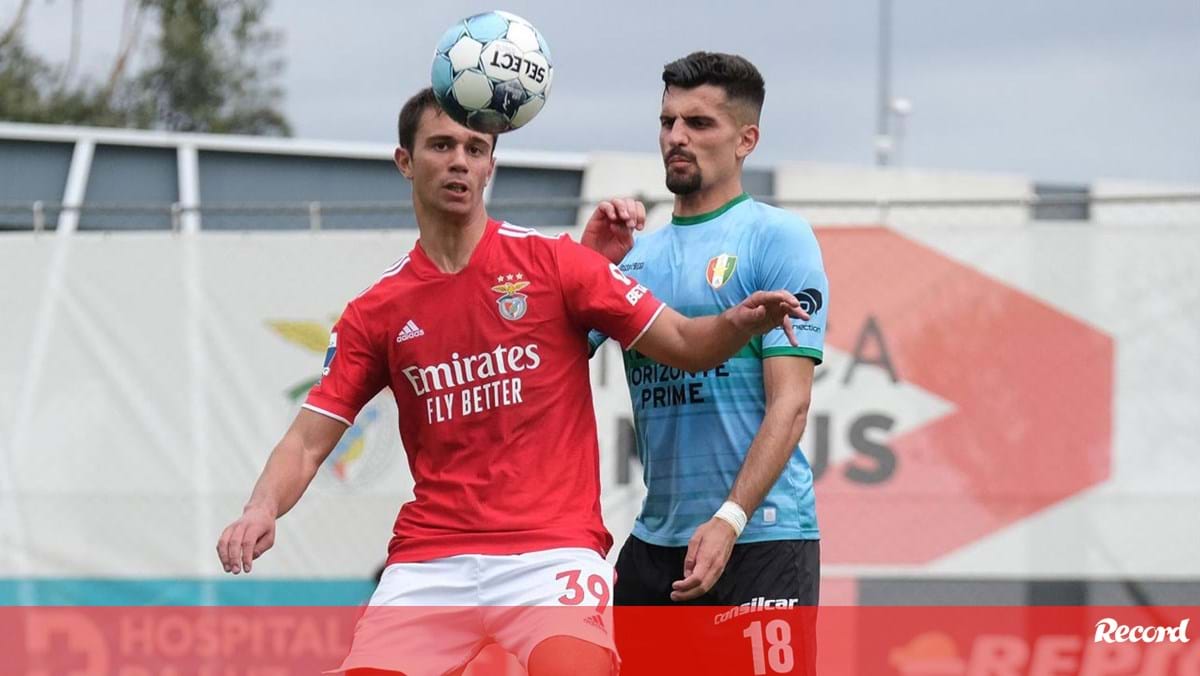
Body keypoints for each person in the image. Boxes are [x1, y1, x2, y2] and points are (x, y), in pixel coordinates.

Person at [216, 87, 808, 676]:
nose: (459, 161)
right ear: (405, 162)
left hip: (550, 556)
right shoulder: (377, 310)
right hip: (430, 563)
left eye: (475, 148)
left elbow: (683, 342)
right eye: (441, 145)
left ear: (490, 166)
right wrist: (260, 508)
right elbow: (307, 440)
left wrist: (738, 322)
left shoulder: (556, 264)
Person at [583, 50, 827, 655]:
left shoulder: (778, 237)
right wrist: (589, 264)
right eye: (668, 122)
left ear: (747, 139)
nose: (676, 137)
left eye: (698, 123)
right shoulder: (633, 257)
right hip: (656, 547)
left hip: (761, 540)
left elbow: (790, 407)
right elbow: (550, 361)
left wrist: (730, 518)